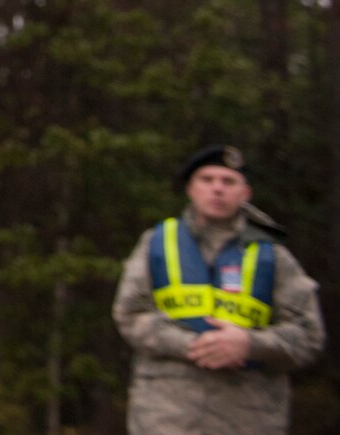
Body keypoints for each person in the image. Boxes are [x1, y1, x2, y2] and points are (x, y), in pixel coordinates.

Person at [112, 145, 326, 433]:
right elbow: (130, 315)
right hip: (167, 416)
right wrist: (192, 346)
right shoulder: (157, 244)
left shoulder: (272, 255)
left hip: (248, 417)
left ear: (245, 193)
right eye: (207, 180)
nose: (217, 189)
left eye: (228, 182)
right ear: (190, 188)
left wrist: (249, 344)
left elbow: (308, 335)